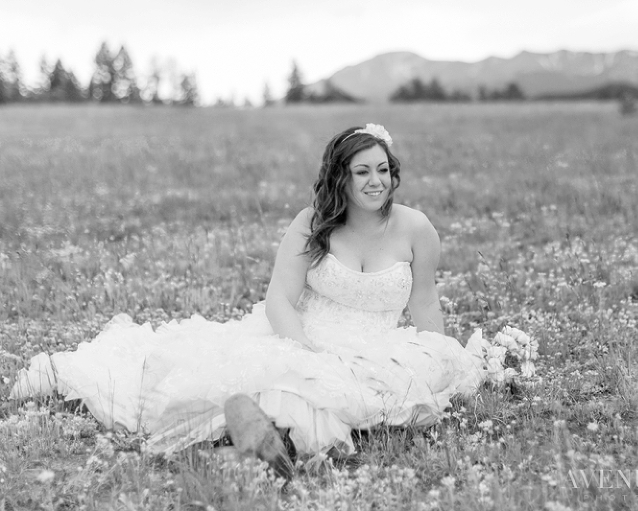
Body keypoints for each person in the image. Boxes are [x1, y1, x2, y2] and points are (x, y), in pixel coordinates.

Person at [11, 124, 486, 461]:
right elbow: (280, 298)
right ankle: (260, 443)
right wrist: (307, 351)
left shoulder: (416, 228)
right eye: (362, 172)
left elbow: (424, 302)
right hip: (303, 333)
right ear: (340, 176)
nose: (376, 182)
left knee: (384, 395)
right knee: (288, 387)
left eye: (382, 170)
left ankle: (258, 452)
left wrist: (440, 358)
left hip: (377, 346)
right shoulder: (312, 223)